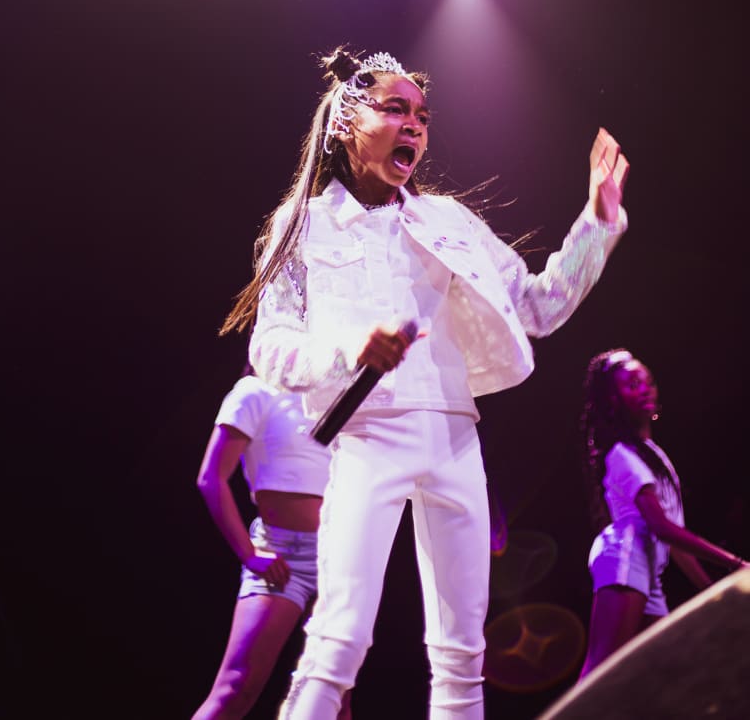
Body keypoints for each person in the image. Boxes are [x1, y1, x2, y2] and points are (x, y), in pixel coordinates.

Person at [221, 47, 630, 720]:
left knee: (463, 656)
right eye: (394, 110)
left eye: (422, 116)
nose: (412, 125)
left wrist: (598, 221)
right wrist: (348, 348)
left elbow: (537, 306)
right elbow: (270, 347)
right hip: (366, 440)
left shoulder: (448, 222)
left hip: (454, 440)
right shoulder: (303, 227)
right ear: (346, 125)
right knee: (337, 642)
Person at [578, 348, 748, 679]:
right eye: (631, 384)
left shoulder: (654, 455)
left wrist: (711, 591)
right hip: (626, 555)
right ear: (612, 400)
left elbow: (676, 544)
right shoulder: (622, 455)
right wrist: (736, 563)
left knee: (663, 670)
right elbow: (662, 528)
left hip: (649, 566)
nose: (644, 389)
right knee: (602, 672)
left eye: (648, 382)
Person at [191, 371, 352, 720]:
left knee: (334, 698)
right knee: (238, 687)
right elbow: (211, 478)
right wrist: (249, 555)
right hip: (285, 558)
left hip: (340, 557)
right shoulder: (256, 391)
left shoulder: (333, 395)